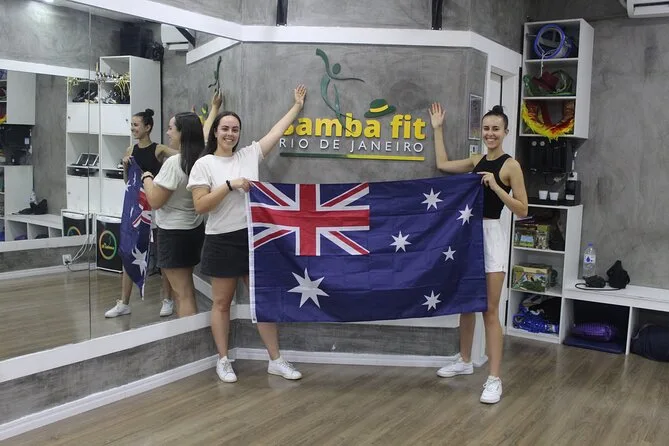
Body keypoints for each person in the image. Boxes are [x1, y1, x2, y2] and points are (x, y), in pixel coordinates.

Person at [187, 85, 307, 383]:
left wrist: (296, 106)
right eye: (225, 128)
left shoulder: (250, 154)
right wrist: (229, 185)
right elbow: (200, 206)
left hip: (253, 239)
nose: (230, 134)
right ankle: (223, 360)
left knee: (262, 300)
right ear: (216, 132)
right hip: (221, 240)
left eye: (235, 129)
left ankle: (275, 360)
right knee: (222, 303)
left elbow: (276, 132)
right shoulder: (204, 164)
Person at [428, 102, 528, 404]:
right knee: (466, 303)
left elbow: (523, 210)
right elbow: (443, 164)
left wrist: (496, 187)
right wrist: (437, 129)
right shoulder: (476, 159)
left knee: (490, 310)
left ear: (506, 132)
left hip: (492, 236)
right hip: (469, 236)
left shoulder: (511, 166)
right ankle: (464, 359)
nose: (490, 133)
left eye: (496, 129)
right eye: (486, 128)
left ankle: (494, 379)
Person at [105, 108, 178, 319]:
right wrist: (125, 166)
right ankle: (124, 303)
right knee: (130, 253)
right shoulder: (130, 149)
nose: (133, 129)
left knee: (163, 257)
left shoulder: (159, 149)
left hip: (157, 207)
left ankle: (168, 299)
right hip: (138, 210)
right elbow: (128, 182)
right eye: (131, 125)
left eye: (136, 125)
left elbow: (183, 156)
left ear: (148, 127)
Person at [139, 112, 206, 317]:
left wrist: (147, 178)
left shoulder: (175, 163)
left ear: (183, 133)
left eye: (171, 128)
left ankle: (190, 336)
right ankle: (191, 333)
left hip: (173, 234)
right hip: (193, 231)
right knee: (186, 289)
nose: (167, 133)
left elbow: (155, 201)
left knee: (182, 293)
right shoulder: (202, 160)